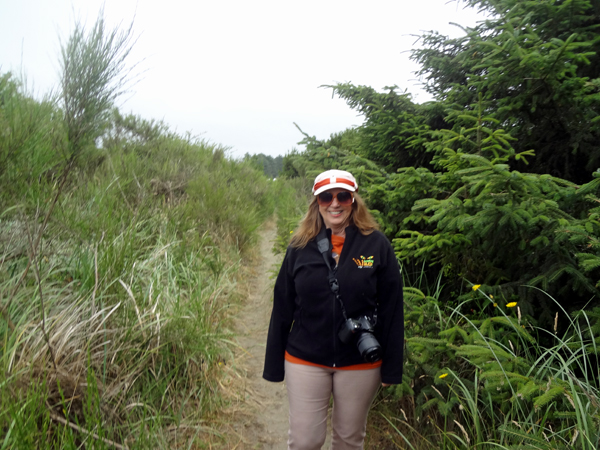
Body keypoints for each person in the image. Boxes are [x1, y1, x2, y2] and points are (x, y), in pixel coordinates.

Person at [263, 169, 404, 449]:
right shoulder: (299, 246)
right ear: (317, 203)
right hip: (305, 358)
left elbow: (392, 308)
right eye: (326, 197)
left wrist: (392, 369)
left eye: (343, 196)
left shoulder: (377, 245)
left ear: (354, 201)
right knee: (305, 441)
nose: (335, 203)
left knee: (349, 440)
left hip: (359, 362)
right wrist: (273, 366)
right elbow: (282, 307)